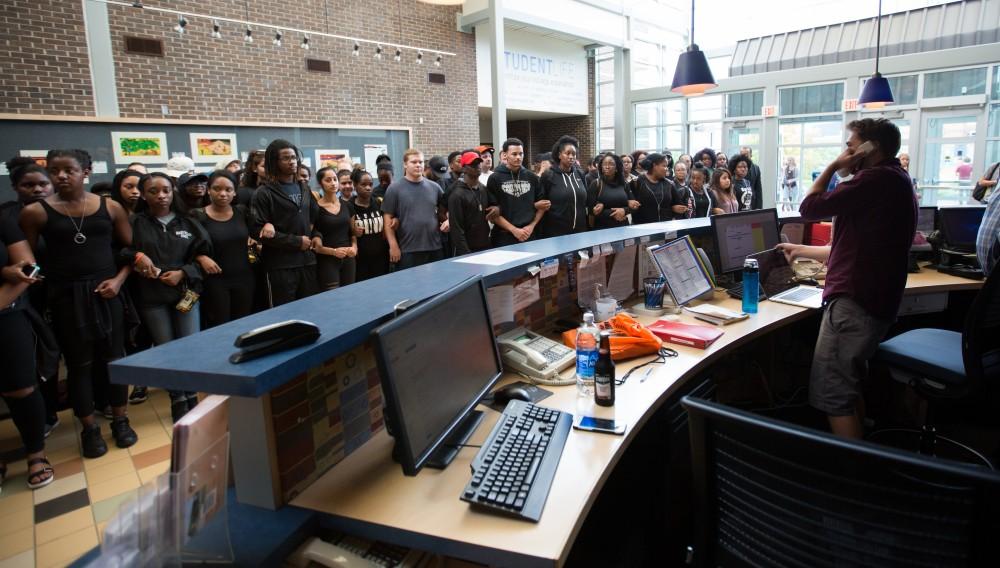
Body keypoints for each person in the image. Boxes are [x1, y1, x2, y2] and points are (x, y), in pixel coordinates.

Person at [779, 118, 915, 440]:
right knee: (848, 385)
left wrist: (832, 167)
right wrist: (801, 249)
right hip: (873, 300)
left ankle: (854, 479)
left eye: (851, 147)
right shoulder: (897, 179)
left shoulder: (872, 180)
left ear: (871, 149)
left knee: (833, 396)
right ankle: (864, 451)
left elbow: (808, 207)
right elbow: (854, 247)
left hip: (855, 302)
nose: (846, 153)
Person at [19, 149, 137, 458]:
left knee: (114, 360)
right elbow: (27, 260)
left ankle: (120, 420)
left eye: (68, 169)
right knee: (79, 365)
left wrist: (119, 280)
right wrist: (35, 281)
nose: (60, 175)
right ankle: (89, 429)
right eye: (54, 170)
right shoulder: (36, 212)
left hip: (107, 290)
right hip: (66, 296)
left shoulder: (110, 208)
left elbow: (131, 250)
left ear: (85, 171)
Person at [129, 173, 210, 422]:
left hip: (185, 291)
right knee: (167, 348)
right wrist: (138, 259)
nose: (161, 195)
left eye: (166, 190)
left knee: (189, 345)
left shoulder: (189, 220)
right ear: (144, 194)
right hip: (152, 295)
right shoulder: (136, 223)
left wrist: (183, 272)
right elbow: (122, 252)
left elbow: (204, 255)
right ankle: (177, 397)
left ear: (173, 191)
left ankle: (190, 394)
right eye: (153, 191)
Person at [1, 195, 53, 491]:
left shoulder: (4, 222)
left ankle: (36, 455)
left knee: (21, 386)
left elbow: (29, 268)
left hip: (6, 314)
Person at [251, 139, 319, 307]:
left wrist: (317, 236)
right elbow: (256, 230)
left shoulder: (304, 187)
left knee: (311, 310)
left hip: (307, 262)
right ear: (275, 161)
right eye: (286, 158)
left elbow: (316, 219)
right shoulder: (264, 192)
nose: (292, 162)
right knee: (284, 316)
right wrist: (296, 242)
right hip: (280, 266)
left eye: (294, 157)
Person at [189, 171, 255, 328]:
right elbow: (185, 248)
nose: (223, 194)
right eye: (217, 189)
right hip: (214, 281)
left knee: (244, 325)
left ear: (234, 192)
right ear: (208, 190)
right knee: (219, 326)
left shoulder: (242, 212)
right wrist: (200, 257)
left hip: (244, 277)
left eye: (228, 189)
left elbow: (255, 234)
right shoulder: (197, 215)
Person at [383, 149, 447, 269]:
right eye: (414, 162)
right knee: (410, 286)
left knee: (437, 285)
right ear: (405, 164)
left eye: (421, 162)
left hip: (435, 247)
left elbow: (445, 210)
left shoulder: (435, 187)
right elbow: (387, 218)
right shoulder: (394, 188)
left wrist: (448, 220)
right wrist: (393, 246)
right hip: (408, 250)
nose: (418, 165)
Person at [489, 138, 546, 244]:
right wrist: (514, 230)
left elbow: (542, 206)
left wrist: (531, 226)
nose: (518, 157)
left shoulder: (532, 177)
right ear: (505, 155)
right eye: (514, 154)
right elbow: (493, 213)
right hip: (504, 235)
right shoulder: (495, 178)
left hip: (529, 233)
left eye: (521, 154)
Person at [540, 136, 591, 238]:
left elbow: (586, 200)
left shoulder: (580, 174)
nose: (571, 156)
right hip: (556, 233)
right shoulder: (549, 175)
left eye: (574, 154)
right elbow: (542, 203)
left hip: (580, 231)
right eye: (567, 153)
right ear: (559, 155)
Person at [313, 175, 357, 290]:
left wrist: (354, 247)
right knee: (332, 299)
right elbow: (314, 242)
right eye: (328, 180)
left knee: (349, 294)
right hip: (327, 260)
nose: (333, 183)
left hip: (348, 258)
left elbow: (352, 233)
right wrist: (333, 252)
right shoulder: (315, 208)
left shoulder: (347, 205)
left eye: (335, 179)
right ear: (320, 184)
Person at [448, 152, 494, 256]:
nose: (477, 167)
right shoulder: (457, 195)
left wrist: (496, 208)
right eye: (473, 165)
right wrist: (466, 253)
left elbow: (494, 205)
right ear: (464, 168)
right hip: (467, 250)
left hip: (485, 245)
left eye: (478, 164)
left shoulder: (483, 189)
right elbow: (456, 229)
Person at [350, 169, 390, 281]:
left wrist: (394, 221)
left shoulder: (379, 202)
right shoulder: (349, 206)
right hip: (360, 260)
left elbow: (387, 224)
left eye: (370, 184)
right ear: (355, 185)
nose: (368, 188)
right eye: (363, 184)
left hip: (381, 257)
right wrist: (352, 231)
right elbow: (344, 230)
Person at [588, 154, 638, 229]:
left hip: (623, 227)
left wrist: (624, 210)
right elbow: (591, 211)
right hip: (602, 229)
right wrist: (614, 213)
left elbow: (635, 206)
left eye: (611, 164)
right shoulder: (596, 184)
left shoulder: (624, 183)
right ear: (601, 167)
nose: (607, 167)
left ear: (616, 168)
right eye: (604, 164)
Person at [630, 153, 673, 224]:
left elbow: (676, 203)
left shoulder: (669, 184)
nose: (667, 169)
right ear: (654, 166)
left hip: (665, 228)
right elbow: (628, 202)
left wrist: (676, 207)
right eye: (664, 166)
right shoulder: (636, 182)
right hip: (643, 229)